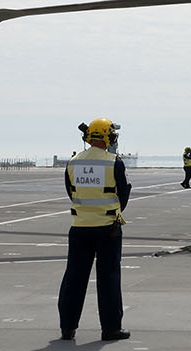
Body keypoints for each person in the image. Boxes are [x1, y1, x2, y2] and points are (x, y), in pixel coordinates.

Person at [59, 118, 132, 342]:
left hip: (79, 227)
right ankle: (110, 329)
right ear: (108, 136)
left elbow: (71, 193)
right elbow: (123, 195)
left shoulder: (72, 162)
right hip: (108, 228)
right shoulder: (114, 162)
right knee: (108, 278)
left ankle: (67, 328)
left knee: (74, 277)